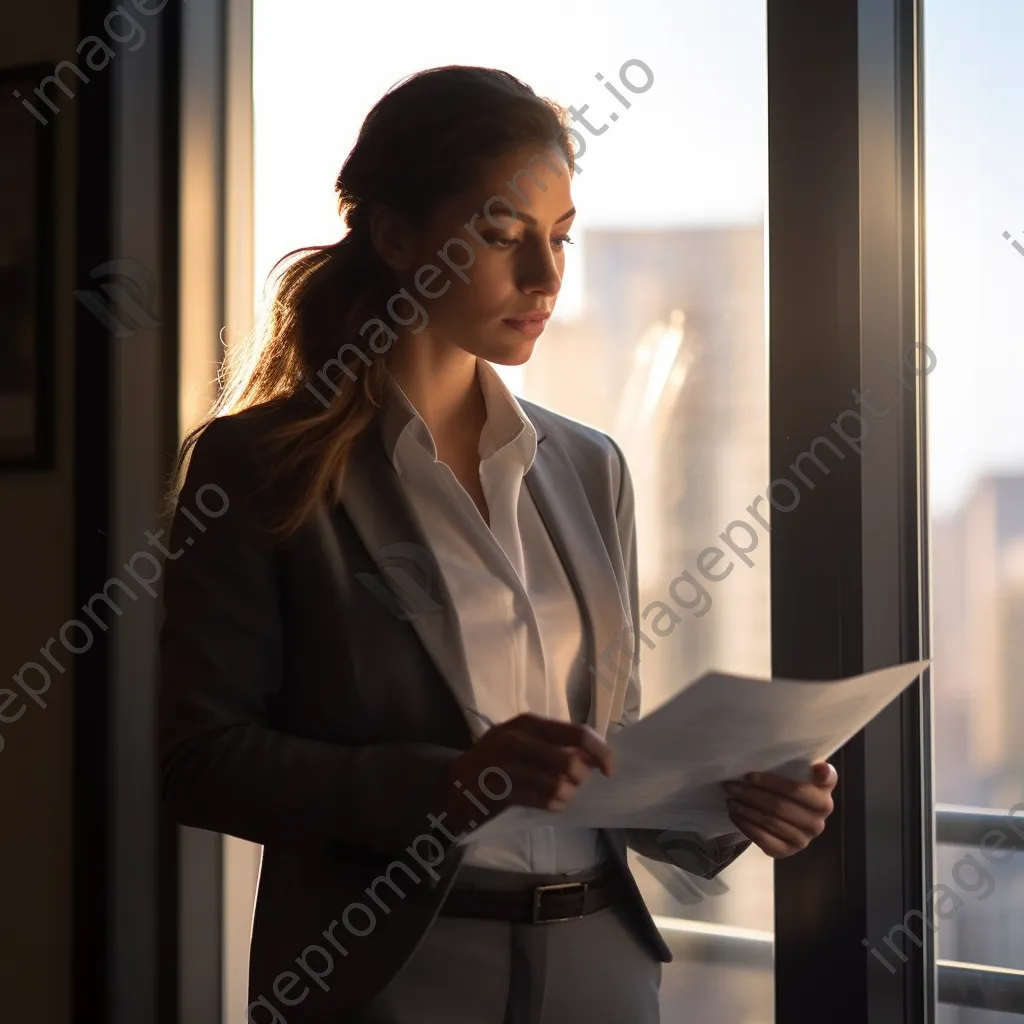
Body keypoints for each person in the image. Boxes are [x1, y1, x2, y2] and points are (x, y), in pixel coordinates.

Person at [158, 65, 838, 1024]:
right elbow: (201, 761)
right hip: (387, 971)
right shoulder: (260, 462)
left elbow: (602, 753)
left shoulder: (591, 467)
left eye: (560, 238)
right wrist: (450, 785)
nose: (546, 277)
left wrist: (732, 801)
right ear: (396, 238)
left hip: (601, 963)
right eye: (502, 236)